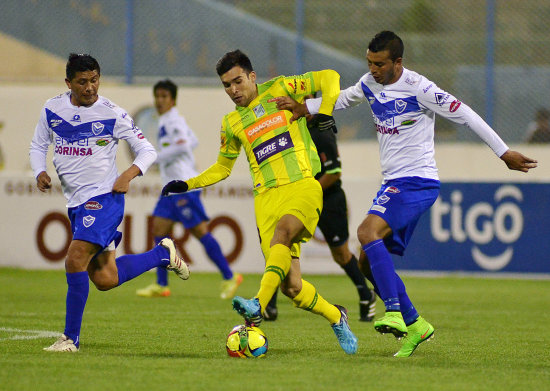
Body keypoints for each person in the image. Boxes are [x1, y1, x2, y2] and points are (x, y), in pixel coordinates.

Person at [272, 31, 538, 357]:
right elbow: (343, 98)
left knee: (366, 231)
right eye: (369, 62)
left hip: (418, 181)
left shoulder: (420, 89)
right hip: (393, 183)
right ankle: (416, 325)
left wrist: (503, 152)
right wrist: (304, 107)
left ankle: (394, 311)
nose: (373, 69)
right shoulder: (370, 83)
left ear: (398, 62)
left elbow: (464, 113)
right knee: (366, 261)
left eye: (380, 64)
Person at [161, 49, 358, 354]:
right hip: (265, 199)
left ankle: (257, 305)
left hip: (302, 185)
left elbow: (330, 77)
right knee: (292, 288)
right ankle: (337, 316)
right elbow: (222, 168)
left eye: (238, 81)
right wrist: (188, 183)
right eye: (226, 85)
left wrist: (325, 112)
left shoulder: (281, 88)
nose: (233, 90)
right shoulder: (231, 123)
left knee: (284, 231)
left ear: (252, 77)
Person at [30, 54, 190, 352]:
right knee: (105, 278)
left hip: (104, 199)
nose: (90, 87)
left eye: (94, 80)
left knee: (74, 258)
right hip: (76, 203)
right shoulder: (52, 108)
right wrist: (39, 169)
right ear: (69, 83)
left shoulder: (112, 113)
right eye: (83, 82)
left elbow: (147, 150)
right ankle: (161, 255)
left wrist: (129, 174)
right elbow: (38, 144)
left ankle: (69, 339)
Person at [264, 97, 377, 322]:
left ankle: (366, 293)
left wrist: (310, 190)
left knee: (341, 253)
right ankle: (269, 304)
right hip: (302, 199)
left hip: (329, 200)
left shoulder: (322, 133)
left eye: (304, 103)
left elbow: (334, 172)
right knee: (282, 243)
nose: (298, 108)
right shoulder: (294, 131)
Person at [136, 79, 243, 299]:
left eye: (164, 97)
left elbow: (184, 144)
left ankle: (229, 275)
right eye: (157, 96)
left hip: (183, 186)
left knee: (200, 233)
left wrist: (157, 157)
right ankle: (161, 284)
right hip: (171, 188)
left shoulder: (173, 120)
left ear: (172, 99)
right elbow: (192, 141)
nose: (159, 101)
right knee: (158, 230)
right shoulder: (170, 120)